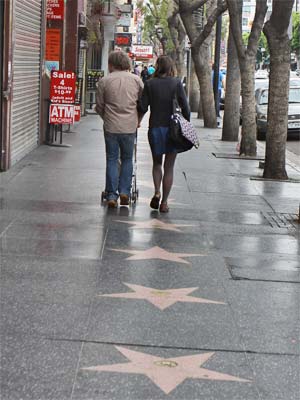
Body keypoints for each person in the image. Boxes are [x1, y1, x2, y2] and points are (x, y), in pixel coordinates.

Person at [138, 55, 190, 213]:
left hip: (155, 128)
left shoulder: (150, 84)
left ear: (157, 66)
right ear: (170, 67)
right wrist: (186, 122)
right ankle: (165, 202)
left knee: (156, 164)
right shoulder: (176, 83)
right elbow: (185, 106)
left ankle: (156, 191)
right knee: (169, 167)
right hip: (172, 130)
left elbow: (143, 106)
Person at [96, 51, 143, 208]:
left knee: (111, 159)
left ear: (111, 64)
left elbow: (99, 106)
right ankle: (124, 191)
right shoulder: (137, 81)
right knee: (128, 159)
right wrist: (138, 119)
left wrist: (106, 117)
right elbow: (142, 104)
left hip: (111, 126)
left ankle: (111, 195)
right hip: (129, 126)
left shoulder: (104, 81)